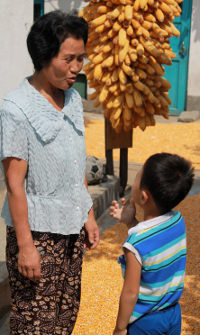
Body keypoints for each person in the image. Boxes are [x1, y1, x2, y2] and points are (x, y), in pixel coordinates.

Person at [0, 11, 99, 335]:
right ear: (44, 57)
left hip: (70, 230)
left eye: (81, 58)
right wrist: (27, 246)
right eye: (69, 58)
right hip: (38, 236)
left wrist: (87, 213)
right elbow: (14, 187)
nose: (77, 67)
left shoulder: (72, 99)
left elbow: (75, 160)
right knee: (34, 323)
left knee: (65, 314)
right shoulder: (16, 109)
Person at [110, 153, 194, 335]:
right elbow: (154, 243)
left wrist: (120, 328)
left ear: (144, 196)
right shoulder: (178, 221)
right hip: (172, 314)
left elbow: (131, 292)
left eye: (138, 175)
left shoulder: (135, 244)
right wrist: (131, 222)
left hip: (145, 322)